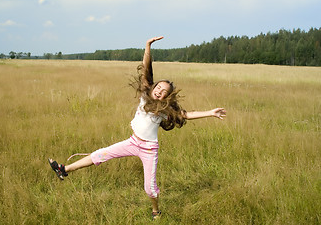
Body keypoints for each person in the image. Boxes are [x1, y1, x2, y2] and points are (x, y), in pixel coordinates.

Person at [48, 36, 226, 220]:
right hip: (132, 142)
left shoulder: (165, 110)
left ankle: (156, 211)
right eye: (158, 87)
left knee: (149, 188)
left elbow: (186, 115)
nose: (159, 91)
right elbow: (146, 69)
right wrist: (147, 47)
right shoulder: (144, 95)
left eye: (164, 91)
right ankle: (64, 170)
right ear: (153, 87)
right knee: (100, 154)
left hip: (149, 149)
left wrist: (211, 113)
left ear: (167, 96)